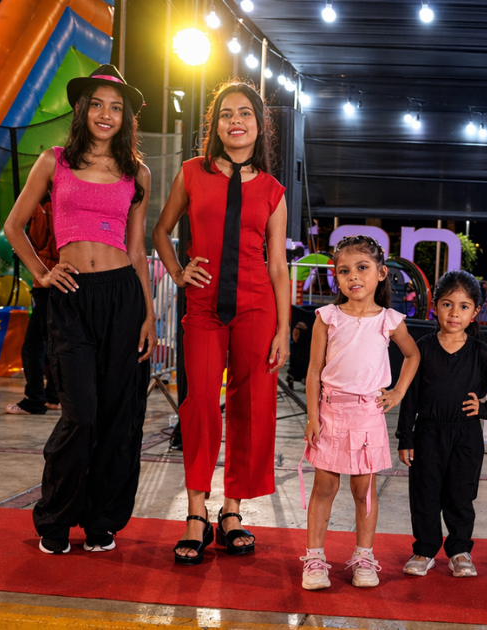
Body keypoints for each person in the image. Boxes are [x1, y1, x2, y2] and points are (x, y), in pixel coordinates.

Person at [2, 65, 155, 555]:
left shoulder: (137, 172)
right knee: (81, 415)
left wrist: (149, 315)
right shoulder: (54, 161)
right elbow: (14, 226)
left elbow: (137, 250)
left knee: (117, 416)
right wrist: (42, 272)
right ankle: (55, 517)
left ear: (125, 116)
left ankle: (101, 519)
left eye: (116, 107)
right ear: (83, 110)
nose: (106, 114)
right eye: (97, 104)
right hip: (71, 298)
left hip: (123, 297)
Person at [152, 81, 292, 565]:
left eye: (245, 113)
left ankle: (232, 510)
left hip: (257, 305)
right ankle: (197, 511)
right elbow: (161, 231)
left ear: (259, 125)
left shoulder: (273, 190)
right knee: (200, 406)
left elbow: (278, 266)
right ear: (215, 125)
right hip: (204, 305)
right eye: (227, 113)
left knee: (252, 406)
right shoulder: (192, 172)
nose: (236, 121)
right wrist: (178, 271)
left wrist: (283, 329)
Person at [300, 235, 420, 590]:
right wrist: (312, 416)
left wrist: (398, 392)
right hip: (329, 413)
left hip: (368, 415)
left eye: (362, 268)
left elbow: (412, 354)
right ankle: (314, 558)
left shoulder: (389, 320)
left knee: (364, 489)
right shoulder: (327, 317)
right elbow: (313, 371)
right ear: (336, 278)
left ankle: (364, 556)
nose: (353, 276)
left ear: (381, 273)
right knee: (324, 486)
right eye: (344, 271)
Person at [397, 270, 487, 578]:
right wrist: (405, 437)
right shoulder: (421, 348)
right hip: (427, 434)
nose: (454, 313)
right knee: (425, 494)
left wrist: (486, 408)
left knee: (460, 495)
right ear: (435, 306)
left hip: (466, 436)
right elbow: (409, 396)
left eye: (463, 306)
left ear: (475, 312)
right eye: (447, 304)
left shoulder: (479, 352)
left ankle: (460, 551)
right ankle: (424, 550)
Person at [6, 190, 61, 415]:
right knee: (57, 343)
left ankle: (34, 399)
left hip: (46, 279)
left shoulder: (42, 207)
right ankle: (54, 396)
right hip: (67, 279)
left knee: (34, 345)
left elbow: (38, 240)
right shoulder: (65, 202)